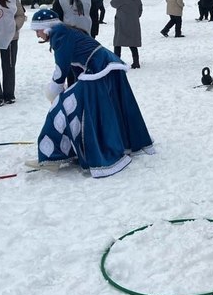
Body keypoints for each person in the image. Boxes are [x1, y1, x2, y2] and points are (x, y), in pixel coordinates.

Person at [27, 9, 154, 178]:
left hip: (99, 70)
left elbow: (62, 66)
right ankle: (111, 142)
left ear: (46, 27)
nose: (37, 36)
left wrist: (56, 89)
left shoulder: (59, 33)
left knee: (61, 107)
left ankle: (53, 156)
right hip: (106, 68)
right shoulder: (64, 31)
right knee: (106, 107)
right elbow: (75, 62)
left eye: (37, 31)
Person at [110, 0, 142, 69]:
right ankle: (136, 62)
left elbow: (113, 4)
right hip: (133, 22)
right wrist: (135, 16)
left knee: (118, 42)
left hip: (122, 21)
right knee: (132, 43)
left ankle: (116, 61)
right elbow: (140, 8)